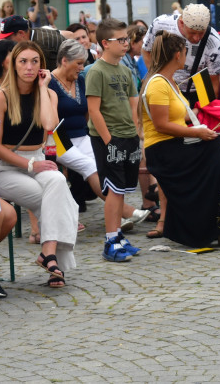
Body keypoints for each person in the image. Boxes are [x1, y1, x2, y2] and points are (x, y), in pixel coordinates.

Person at [140, 32, 220, 245]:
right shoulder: (158, 84)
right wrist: (197, 132)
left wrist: (202, 112)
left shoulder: (170, 82)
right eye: (185, 52)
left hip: (173, 145)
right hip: (162, 150)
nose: (187, 56)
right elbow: (161, 125)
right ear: (177, 55)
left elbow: (181, 116)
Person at [0, 41, 78, 287]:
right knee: (59, 201)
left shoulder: (48, 93)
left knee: (58, 181)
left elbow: (49, 126)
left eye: (35, 62)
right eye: (23, 61)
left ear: (42, 66)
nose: (29, 67)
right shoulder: (0, 97)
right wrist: (30, 167)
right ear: (13, 65)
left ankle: (48, 254)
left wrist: (43, 87)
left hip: (37, 159)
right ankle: (52, 262)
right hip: (4, 166)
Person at [84, 19, 145, 262]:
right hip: (108, 139)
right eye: (120, 40)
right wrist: (110, 140)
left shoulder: (126, 70)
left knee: (123, 190)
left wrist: (137, 132)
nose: (126, 43)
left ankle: (119, 236)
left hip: (128, 137)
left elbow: (133, 103)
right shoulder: (96, 71)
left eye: (127, 39)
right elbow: (94, 111)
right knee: (113, 190)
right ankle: (111, 241)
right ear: (104, 44)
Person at [141, 3, 220, 100]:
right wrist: (158, 77)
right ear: (182, 23)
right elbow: (146, 50)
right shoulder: (160, 24)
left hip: (198, 89)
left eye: (201, 33)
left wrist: (199, 111)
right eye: (192, 32)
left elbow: (213, 84)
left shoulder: (215, 42)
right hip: (165, 85)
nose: (196, 38)